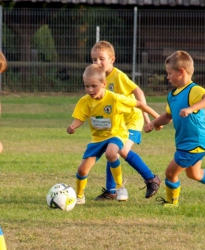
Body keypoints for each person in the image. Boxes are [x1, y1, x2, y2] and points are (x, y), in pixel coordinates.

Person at [144, 50, 205, 207]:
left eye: (170, 73)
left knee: (170, 173)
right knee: (194, 174)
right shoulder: (172, 95)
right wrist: (154, 123)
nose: (167, 77)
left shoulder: (192, 90)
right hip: (191, 142)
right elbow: (169, 116)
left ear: (181, 72)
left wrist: (192, 108)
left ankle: (171, 203)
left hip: (194, 142)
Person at [67, 64, 161, 204]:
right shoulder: (85, 101)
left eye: (93, 86)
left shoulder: (114, 98)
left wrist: (156, 119)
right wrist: (73, 126)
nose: (90, 90)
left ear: (104, 84)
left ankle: (119, 188)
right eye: (86, 86)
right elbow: (80, 117)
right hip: (98, 139)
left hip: (117, 134)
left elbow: (139, 104)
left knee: (112, 153)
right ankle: (80, 197)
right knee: (82, 170)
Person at [90, 40, 161, 200]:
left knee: (120, 150)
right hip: (118, 123)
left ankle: (151, 179)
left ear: (112, 60)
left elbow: (139, 92)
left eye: (101, 59)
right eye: (94, 60)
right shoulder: (98, 79)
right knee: (112, 149)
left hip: (133, 120)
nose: (98, 62)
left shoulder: (118, 76)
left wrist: (146, 116)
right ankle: (111, 191)